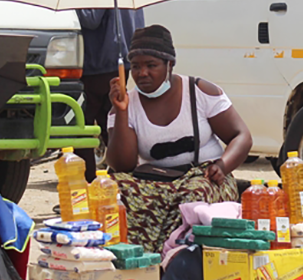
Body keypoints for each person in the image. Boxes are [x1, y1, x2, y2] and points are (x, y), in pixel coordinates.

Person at [106, 25, 253, 253]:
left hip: (203, 176)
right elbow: (122, 165)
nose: (142, 73)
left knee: (194, 195)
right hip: (156, 181)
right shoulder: (127, 102)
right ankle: (138, 258)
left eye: (151, 66)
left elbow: (241, 136)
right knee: (113, 189)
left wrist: (223, 166)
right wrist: (122, 111)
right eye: (135, 67)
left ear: (169, 65)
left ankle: (176, 258)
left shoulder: (200, 91)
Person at [75, 9, 145, 182]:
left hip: (99, 60)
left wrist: (73, 6)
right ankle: (123, 182)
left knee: (81, 127)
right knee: (111, 122)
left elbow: (91, 18)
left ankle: (88, 184)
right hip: (120, 57)